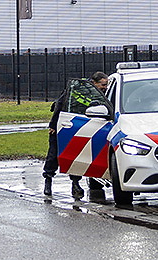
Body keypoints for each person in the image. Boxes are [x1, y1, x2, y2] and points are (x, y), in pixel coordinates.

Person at [44, 72, 110, 200]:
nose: (105, 87)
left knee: (75, 157)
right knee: (53, 155)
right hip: (67, 125)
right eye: (103, 85)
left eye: (106, 85)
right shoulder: (77, 90)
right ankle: (48, 181)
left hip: (84, 127)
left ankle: (75, 184)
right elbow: (60, 104)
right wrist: (53, 125)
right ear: (93, 83)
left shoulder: (101, 94)